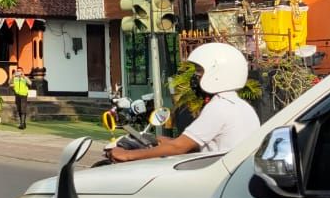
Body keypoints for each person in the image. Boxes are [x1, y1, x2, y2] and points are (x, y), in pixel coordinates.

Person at [107, 42, 260, 163]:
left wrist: (127, 155)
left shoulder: (219, 107)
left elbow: (178, 147)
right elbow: (195, 144)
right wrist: (162, 140)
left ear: (218, 73)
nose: (195, 76)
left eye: (199, 71)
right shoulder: (243, 107)